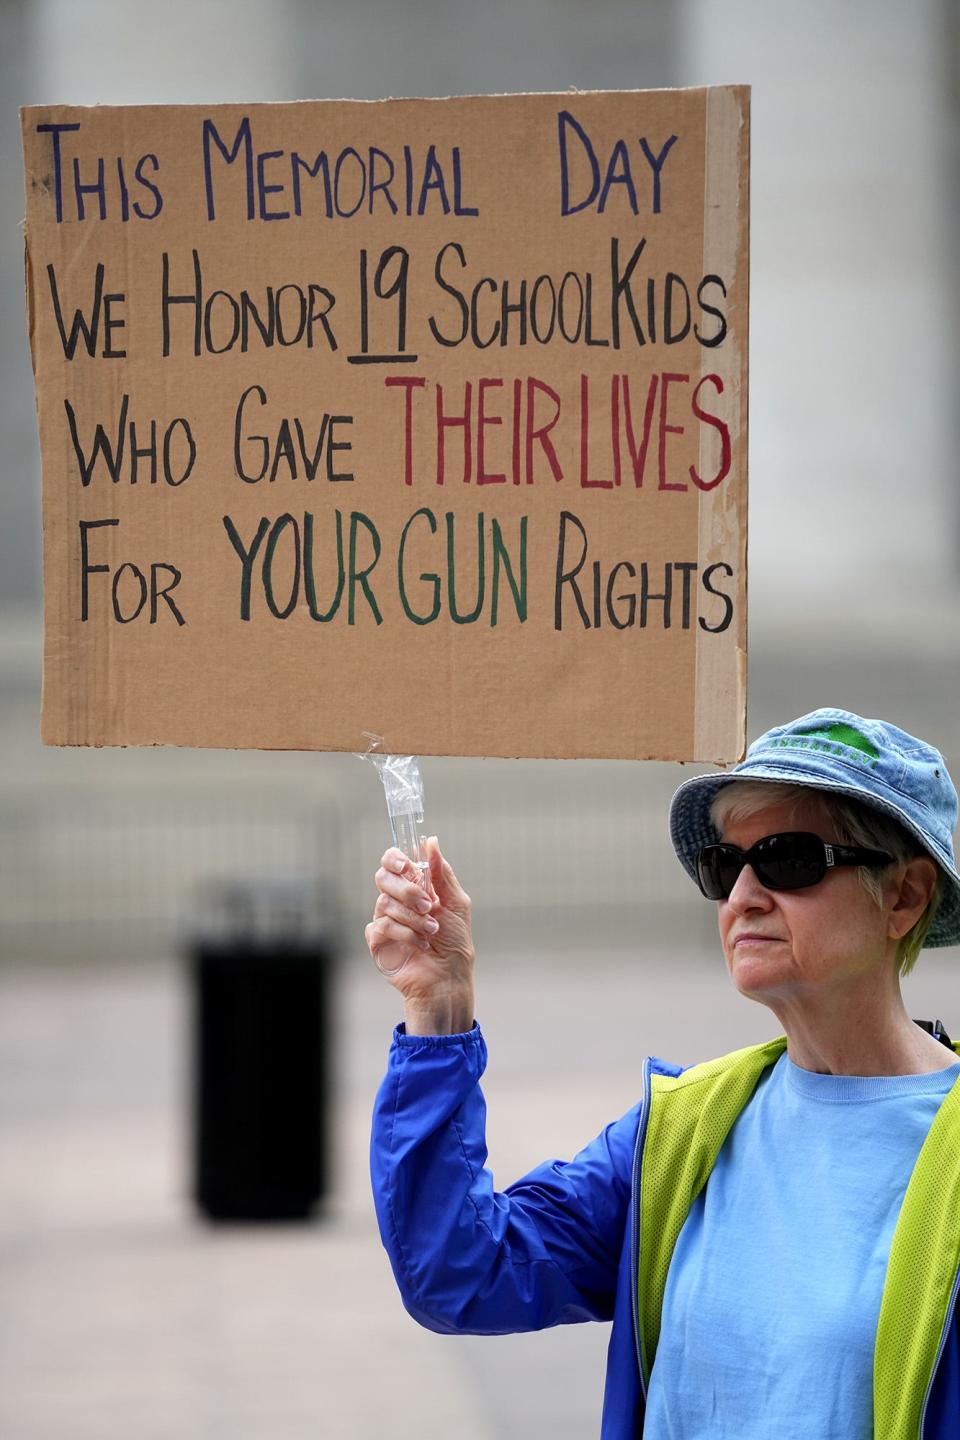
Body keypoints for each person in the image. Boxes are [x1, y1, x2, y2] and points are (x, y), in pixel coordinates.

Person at [366, 708, 960, 1439]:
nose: (743, 895)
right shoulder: (683, 1130)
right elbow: (459, 1273)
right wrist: (439, 1003)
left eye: (789, 859)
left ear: (903, 896)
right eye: (725, 864)